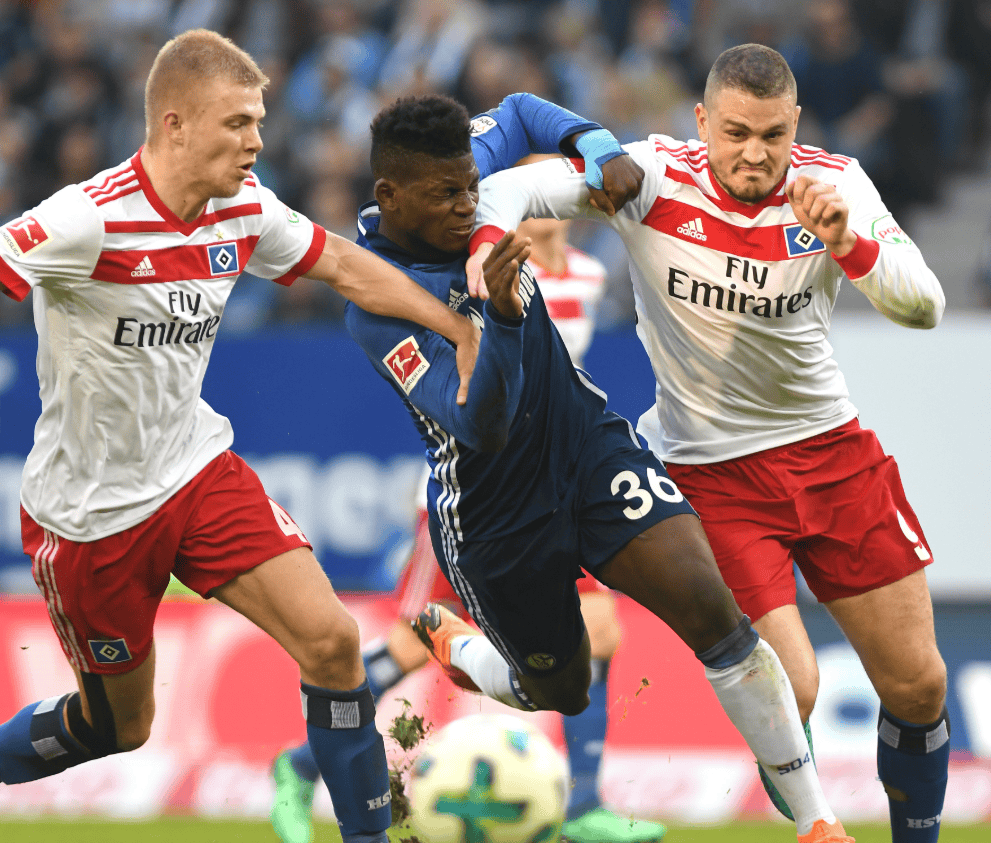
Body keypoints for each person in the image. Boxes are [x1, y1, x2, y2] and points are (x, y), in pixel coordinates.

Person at [0, 30, 488, 843]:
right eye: (238, 123)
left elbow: (343, 266)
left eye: (258, 121)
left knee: (333, 641)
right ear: (176, 124)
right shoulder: (90, 219)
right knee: (119, 726)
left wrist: (453, 323)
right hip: (92, 515)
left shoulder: (245, 208)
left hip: (196, 473)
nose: (257, 140)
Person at [344, 93, 854, 843]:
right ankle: (470, 653)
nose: (467, 205)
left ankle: (818, 821)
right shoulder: (375, 299)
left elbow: (521, 112)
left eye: (470, 187)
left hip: (586, 448)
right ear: (390, 195)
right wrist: (505, 320)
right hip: (494, 511)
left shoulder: (460, 175)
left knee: (712, 608)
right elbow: (479, 426)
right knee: (562, 686)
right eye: (445, 195)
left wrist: (597, 145)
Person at [471, 43, 948, 843]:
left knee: (920, 684)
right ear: (702, 121)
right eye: (736, 133)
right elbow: (511, 186)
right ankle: (814, 816)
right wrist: (491, 237)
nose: (755, 154)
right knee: (793, 689)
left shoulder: (835, 185)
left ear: (796, 124)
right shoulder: (651, 178)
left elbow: (924, 305)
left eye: (773, 135)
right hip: (713, 475)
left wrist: (848, 241)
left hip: (833, 456)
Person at [272, 209, 666, 843]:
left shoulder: (588, 275)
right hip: (471, 496)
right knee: (412, 645)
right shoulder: (483, 275)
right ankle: (300, 764)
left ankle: (585, 804)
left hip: (550, 493)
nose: (548, 206)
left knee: (600, 630)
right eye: (534, 189)